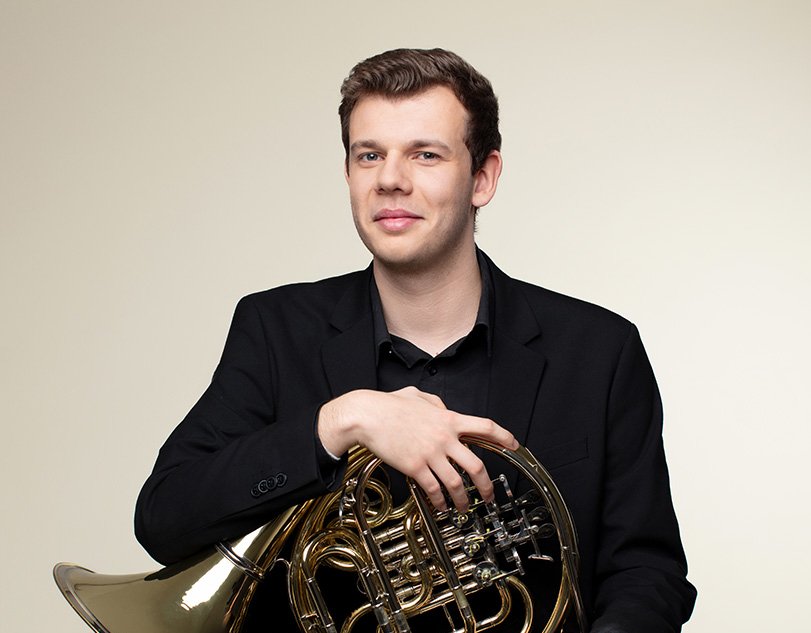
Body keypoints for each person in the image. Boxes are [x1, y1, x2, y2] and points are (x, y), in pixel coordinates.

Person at [135, 48, 696, 632]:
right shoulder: (277, 330)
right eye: (369, 155)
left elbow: (647, 572)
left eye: (425, 154)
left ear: (483, 177)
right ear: (348, 174)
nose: (390, 179)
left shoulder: (599, 351)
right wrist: (340, 421)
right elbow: (163, 518)